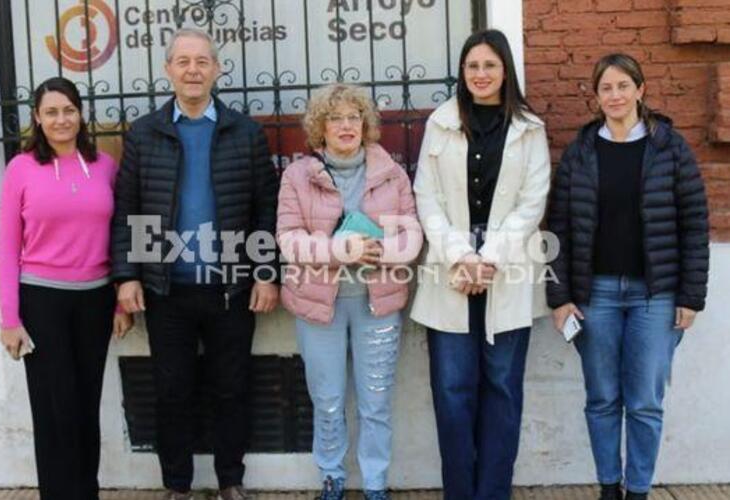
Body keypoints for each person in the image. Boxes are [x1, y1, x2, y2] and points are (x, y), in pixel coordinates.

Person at [111, 28, 279, 500]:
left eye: (202, 61)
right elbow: (128, 208)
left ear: (217, 69)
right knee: (172, 392)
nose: (192, 70)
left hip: (230, 288)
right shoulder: (146, 132)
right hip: (166, 289)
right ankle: (177, 486)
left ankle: (231, 481)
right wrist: (127, 276)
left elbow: (264, 207)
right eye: (183, 62)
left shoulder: (244, 131)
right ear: (168, 70)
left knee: (232, 388)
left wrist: (265, 273)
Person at [547, 53, 709, 500]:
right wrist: (559, 297)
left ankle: (638, 490)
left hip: (654, 296)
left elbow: (695, 222)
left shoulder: (670, 148)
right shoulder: (581, 152)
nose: (615, 95)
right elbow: (557, 228)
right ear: (596, 97)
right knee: (601, 399)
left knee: (645, 402)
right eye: (606, 88)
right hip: (594, 294)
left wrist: (691, 297)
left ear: (640, 89)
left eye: (623, 86)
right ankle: (608, 488)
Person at [410, 30, 551, 500]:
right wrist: (461, 256)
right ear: (462, 72)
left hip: (505, 271)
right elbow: (425, 196)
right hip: (450, 272)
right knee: (453, 396)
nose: (481, 75)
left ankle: (493, 493)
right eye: (472, 66)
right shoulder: (441, 122)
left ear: (505, 69)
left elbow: (532, 204)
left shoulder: (529, 129)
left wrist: (487, 258)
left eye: (490, 65)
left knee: (503, 393)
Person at [276, 83, 422, 500]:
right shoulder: (298, 175)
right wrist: (342, 250)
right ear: (320, 127)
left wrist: (381, 251)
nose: (345, 126)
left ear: (365, 124)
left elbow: (412, 233)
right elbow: (287, 239)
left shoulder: (390, 173)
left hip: (377, 306)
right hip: (319, 306)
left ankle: (376, 483)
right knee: (328, 399)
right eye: (335, 117)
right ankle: (332, 477)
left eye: (353, 117)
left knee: (376, 402)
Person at [0, 76, 133, 500]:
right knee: (55, 409)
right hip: (41, 301)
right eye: (51, 112)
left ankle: (84, 493)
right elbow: (6, 248)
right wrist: (9, 319)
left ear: (81, 114)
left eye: (68, 110)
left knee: (85, 405)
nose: (61, 119)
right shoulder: (20, 168)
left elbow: (121, 234)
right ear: (37, 118)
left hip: (95, 299)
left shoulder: (105, 166)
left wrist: (119, 302)